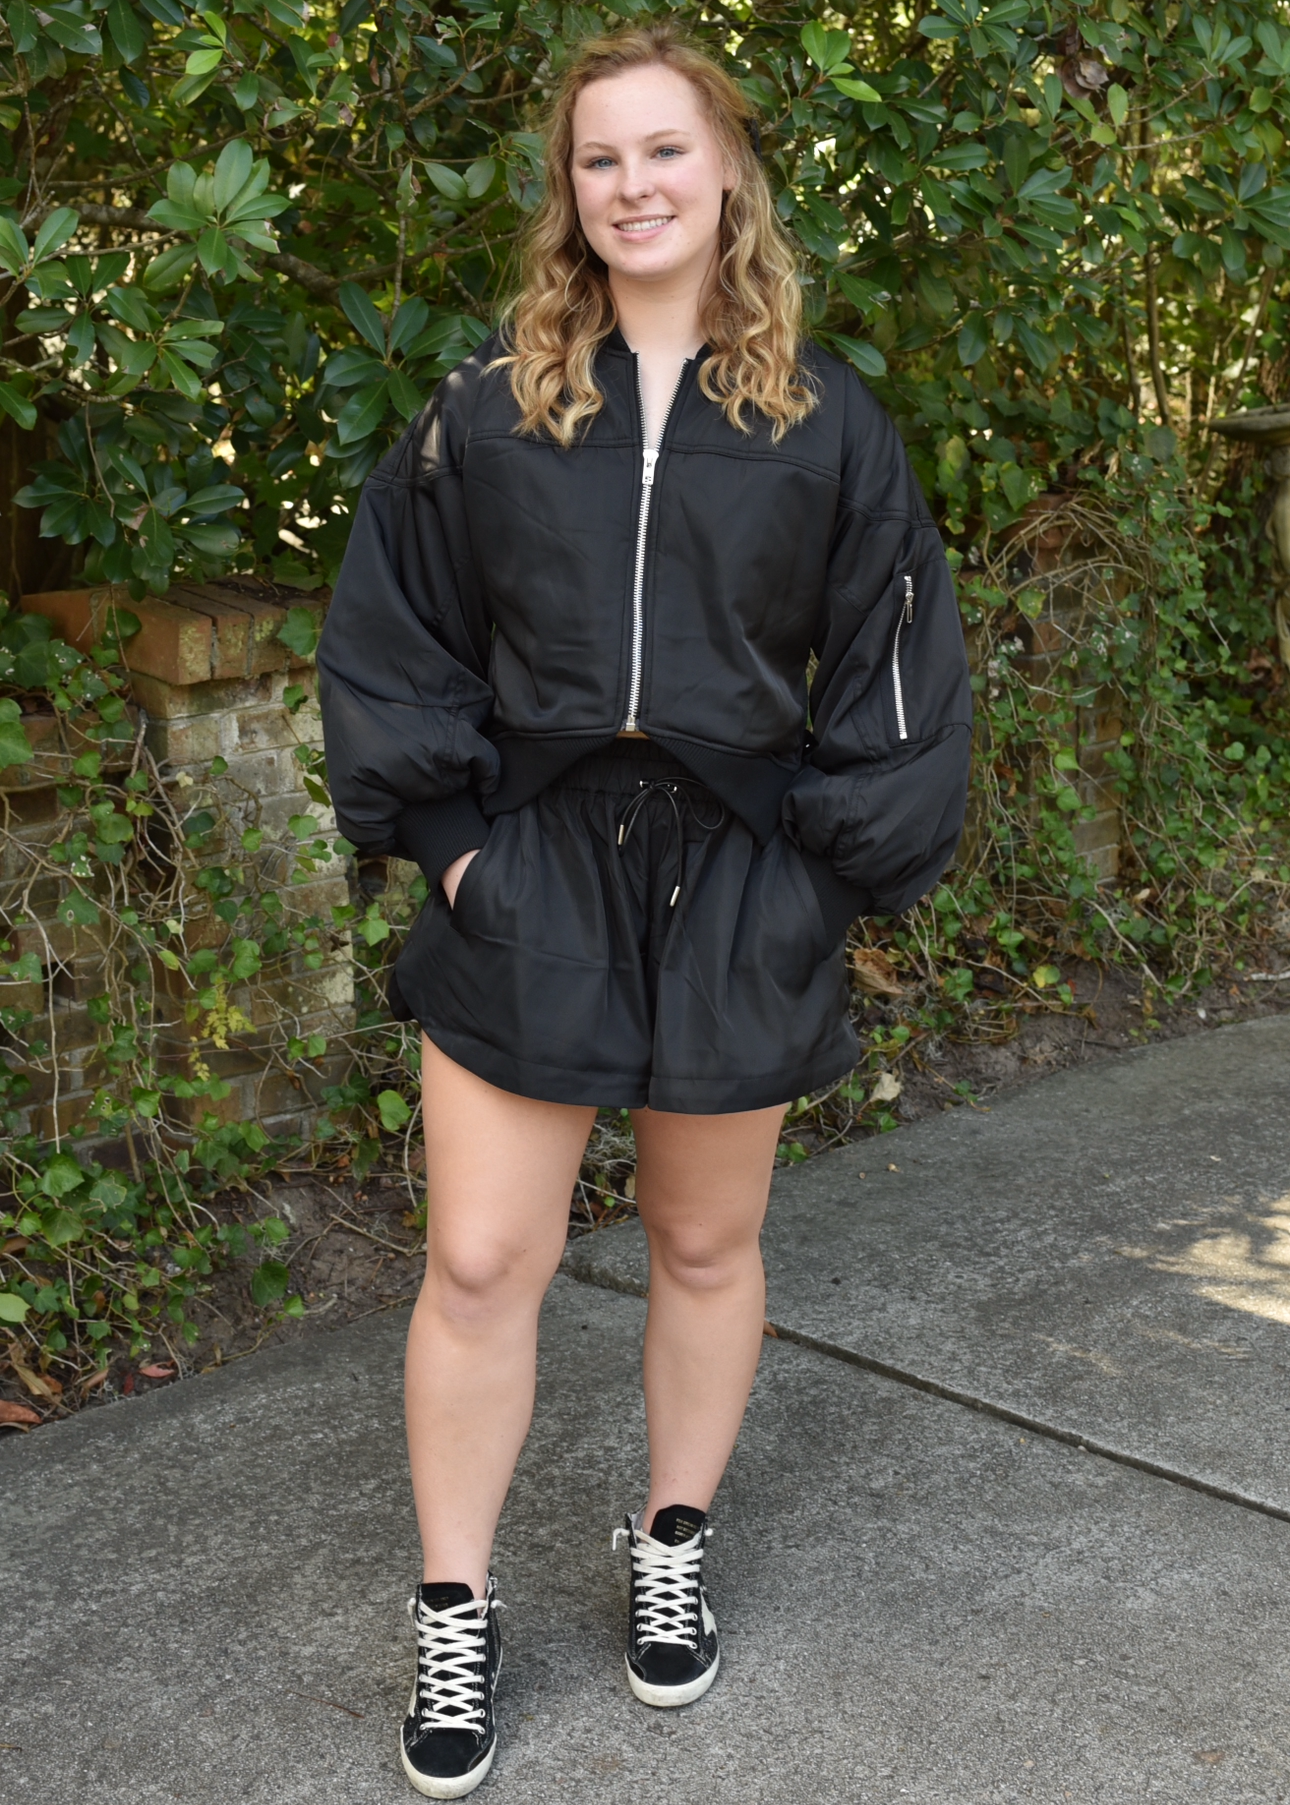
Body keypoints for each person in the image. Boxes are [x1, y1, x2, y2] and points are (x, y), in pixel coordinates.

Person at [317, 21, 971, 1798]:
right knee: (479, 1261)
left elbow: (898, 664)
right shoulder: (487, 410)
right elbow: (392, 634)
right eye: (599, 158)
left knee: (700, 1243)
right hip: (532, 858)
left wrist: (821, 877)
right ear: (568, 190)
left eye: (664, 150)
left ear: (727, 169)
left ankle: (668, 1537)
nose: (633, 186)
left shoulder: (822, 422)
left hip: (737, 869)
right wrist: (453, 846)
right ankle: (456, 1607)